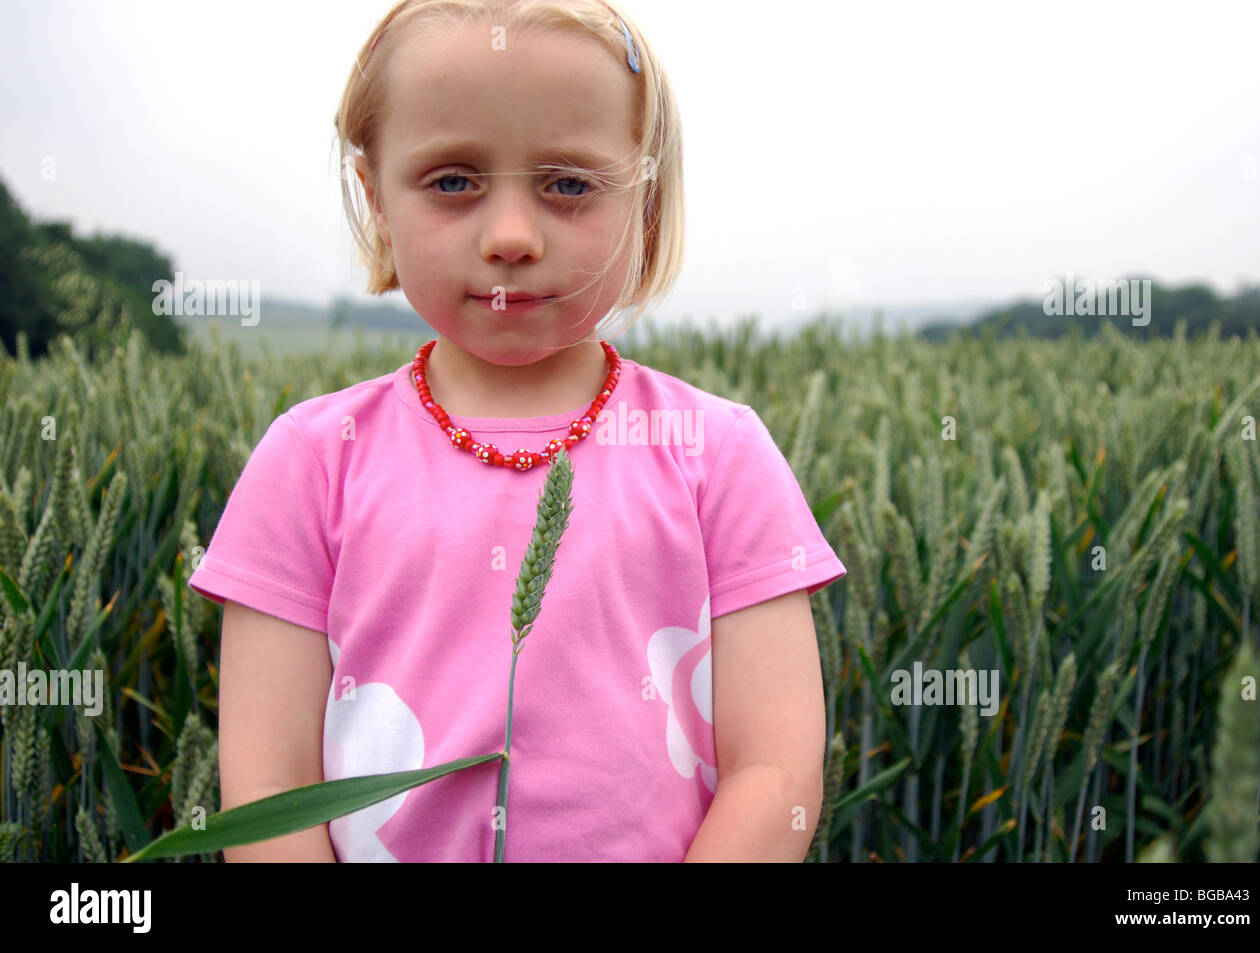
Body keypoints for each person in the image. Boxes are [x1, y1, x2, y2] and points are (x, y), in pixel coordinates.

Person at [189, 0, 846, 863]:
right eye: (453, 181)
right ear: (374, 197)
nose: (510, 237)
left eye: (569, 184)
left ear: (643, 203)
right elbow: (271, 793)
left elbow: (775, 769)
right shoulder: (310, 463)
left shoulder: (719, 454)